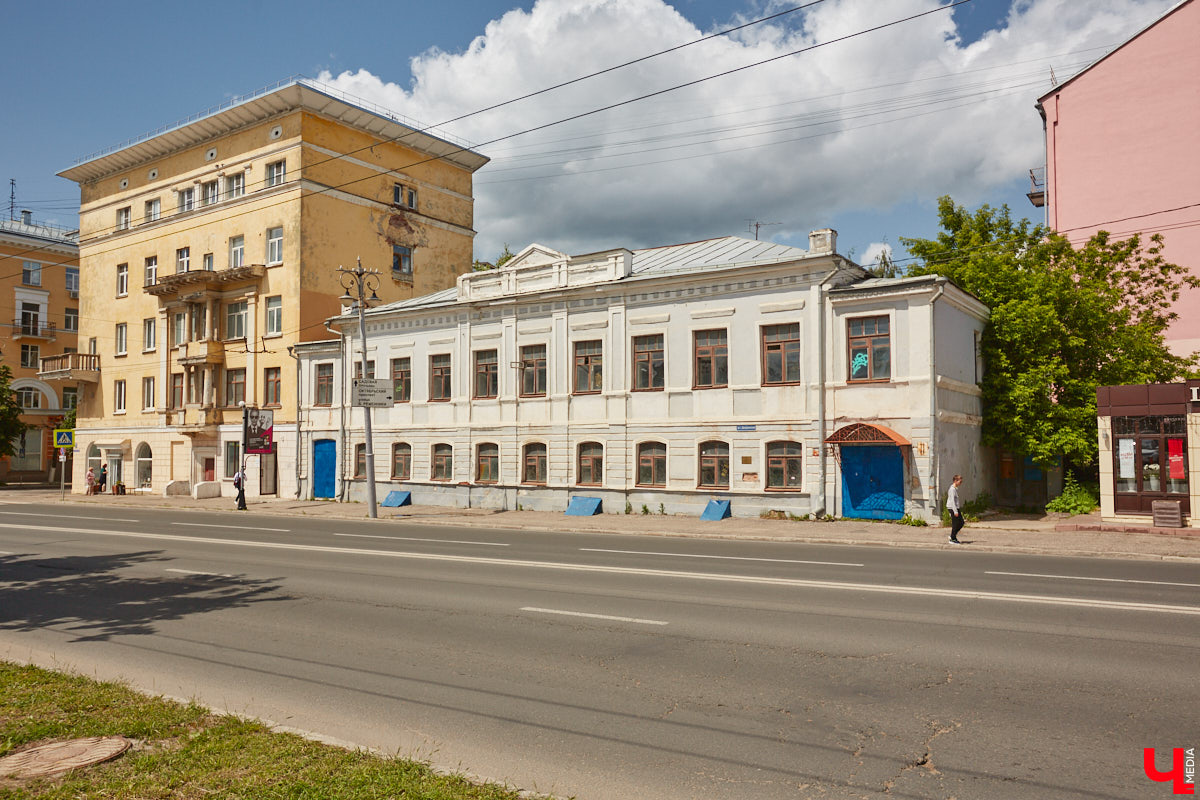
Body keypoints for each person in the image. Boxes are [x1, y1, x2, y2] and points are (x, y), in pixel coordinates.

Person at [947, 474, 964, 544]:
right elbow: (952, 501)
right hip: (952, 508)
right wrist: (955, 511)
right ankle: (952, 539)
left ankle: (952, 535)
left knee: (961, 522)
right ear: (955, 481)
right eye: (960, 481)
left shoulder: (954, 489)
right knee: (955, 523)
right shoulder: (952, 489)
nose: (961, 483)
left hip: (956, 508)